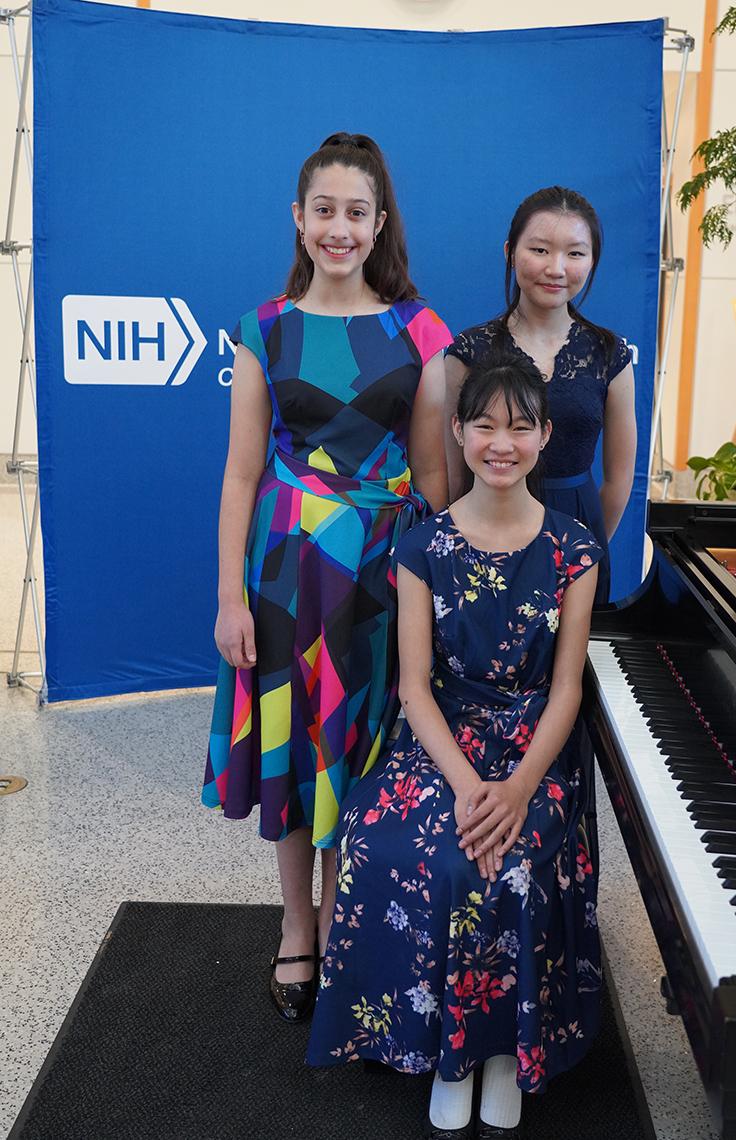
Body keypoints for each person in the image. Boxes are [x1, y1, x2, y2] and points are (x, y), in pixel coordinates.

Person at [308, 353, 603, 1140]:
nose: (500, 443)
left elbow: (568, 689)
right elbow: (412, 686)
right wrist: (471, 781)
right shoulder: (423, 546)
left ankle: (503, 1052)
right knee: (380, 838)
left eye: (519, 426)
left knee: (505, 859)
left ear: (544, 435)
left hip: (534, 746)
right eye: (483, 425)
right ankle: (446, 1051)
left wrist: (514, 789)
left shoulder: (576, 548)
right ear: (460, 433)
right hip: (444, 739)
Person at [201, 132, 451, 1023]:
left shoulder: (421, 331)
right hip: (284, 578)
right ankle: (297, 928)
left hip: (384, 582)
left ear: (379, 223)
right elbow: (239, 472)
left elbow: (432, 477)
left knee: (368, 751)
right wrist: (230, 596)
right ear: (299, 221)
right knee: (300, 748)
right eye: (324, 211)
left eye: (357, 212)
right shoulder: (264, 327)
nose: (339, 229)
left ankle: (351, 925)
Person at [444, 186, 636, 605]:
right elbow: (454, 476)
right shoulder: (469, 351)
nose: (556, 268)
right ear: (511, 253)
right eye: (540, 250)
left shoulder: (610, 354)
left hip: (578, 527)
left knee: (571, 668)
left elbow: (619, 479)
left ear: (592, 260)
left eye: (575, 253)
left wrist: (585, 546)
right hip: (484, 533)